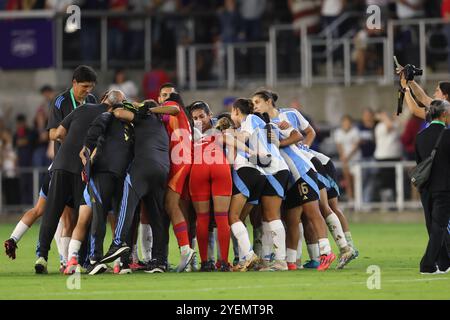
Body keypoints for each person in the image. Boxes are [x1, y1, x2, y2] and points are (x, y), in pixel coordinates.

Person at [34, 89, 113, 274]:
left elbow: (57, 133)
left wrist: (70, 142)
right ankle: (84, 261)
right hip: (80, 168)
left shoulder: (81, 109)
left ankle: (42, 257)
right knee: (83, 215)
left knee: (51, 211)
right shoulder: (108, 116)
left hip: (60, 164)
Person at [99, 99, 180, 274]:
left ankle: (118, 244)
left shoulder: (143, 118)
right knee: (157, 216)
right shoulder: (161, 126)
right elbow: (175, 109)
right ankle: (160, 260)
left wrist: (138, 109)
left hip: (142, 167)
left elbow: (119, 113)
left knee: (126, 206)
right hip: (162, 170)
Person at [188, 101, 232, 272]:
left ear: (209, 115)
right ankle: (223, 262)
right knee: (221, 218)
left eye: (201, 116)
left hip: (199, 168)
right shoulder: (223, 127)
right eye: (195, 118)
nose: (199, 120)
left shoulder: (190, 132)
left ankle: (208, 262)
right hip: (219, 165)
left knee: (202, 219)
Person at [414, 99, 450, 274]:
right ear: (444, 114)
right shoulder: (448, 134)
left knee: (433, 225)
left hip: (426, 188)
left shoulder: (420, 136)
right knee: (439, 226)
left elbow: (419, 163)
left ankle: (444, 263)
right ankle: (427, 264)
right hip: (444, 187)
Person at [334, 115, 361, 201]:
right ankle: (350, 199)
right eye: (344, 122)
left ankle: (357, 199)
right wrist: (343, 156)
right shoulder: (338, 132)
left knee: (355, 180)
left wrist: (348, 156)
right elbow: (339, 146)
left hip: (355, 159)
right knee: (347, 180)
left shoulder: (355, 131)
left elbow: (356, 146)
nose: (346, 124)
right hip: (345, 160)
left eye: (348, 122)